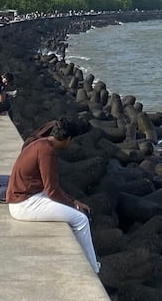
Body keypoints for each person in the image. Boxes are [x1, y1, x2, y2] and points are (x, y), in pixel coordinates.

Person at [6, 117, 99, 273]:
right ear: (67, 139)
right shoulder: (47, 152)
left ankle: (90, 262)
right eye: (71, 141)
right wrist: (75, 203)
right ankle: (93, 268)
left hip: (24, 196)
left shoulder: (40, 142)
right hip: (23, 204)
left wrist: (71, 201)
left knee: (73, 210)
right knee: (81, 219)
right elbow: (52, 191)